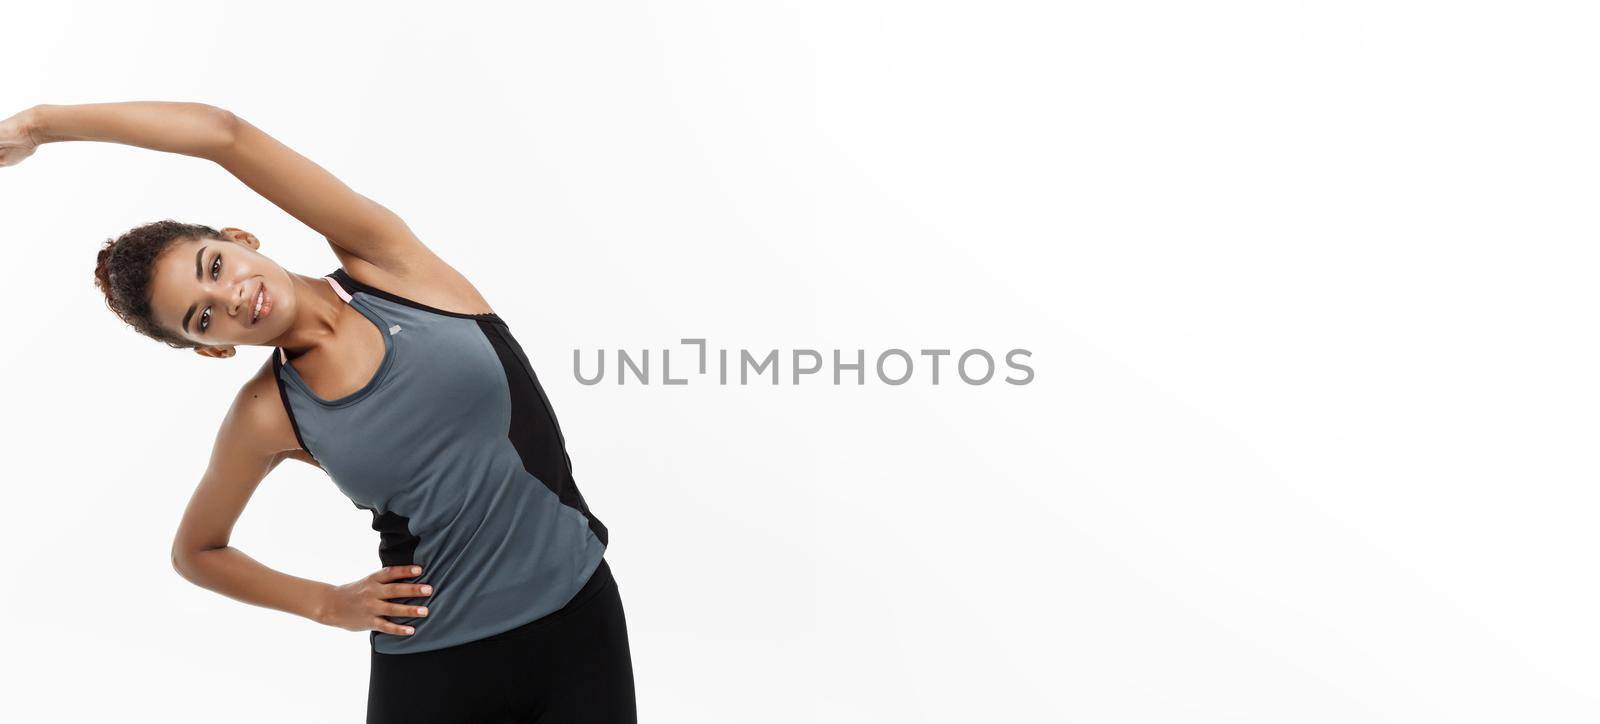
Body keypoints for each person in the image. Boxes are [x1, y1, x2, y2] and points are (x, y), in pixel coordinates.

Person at [0, 102, 637, 723]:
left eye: (215, 266)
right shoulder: (267, 413)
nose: (231, 297)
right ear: (213, 347)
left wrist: (39, 125)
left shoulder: (387, 265)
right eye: (203, 317)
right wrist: (327, 604)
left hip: (580, 614)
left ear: (240, 238)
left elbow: (222, 134)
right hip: (435, 661)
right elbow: (197, 551)